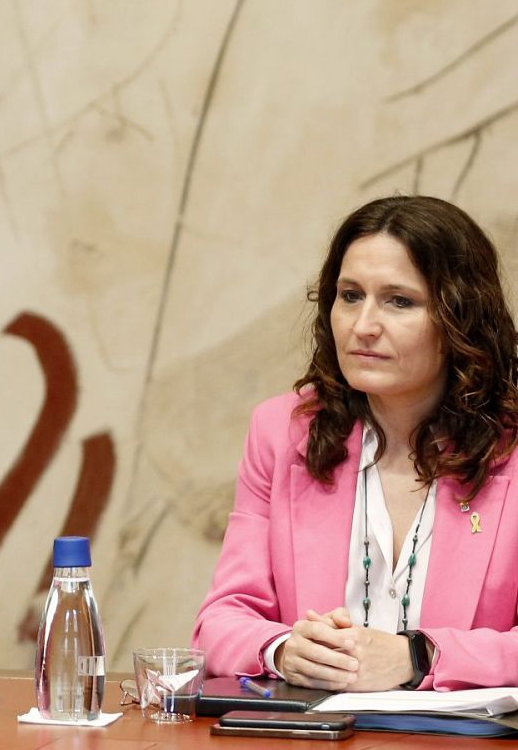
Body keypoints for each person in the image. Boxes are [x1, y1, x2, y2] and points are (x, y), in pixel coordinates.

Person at [194, 195, 518, 691]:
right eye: (350, 295)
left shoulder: (509, 448)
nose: (363, 326)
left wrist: (419, 656)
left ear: (460, 318)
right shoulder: (283, 432)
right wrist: (282, 650)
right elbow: (220, 620)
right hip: (314, 748)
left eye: (399, 301)